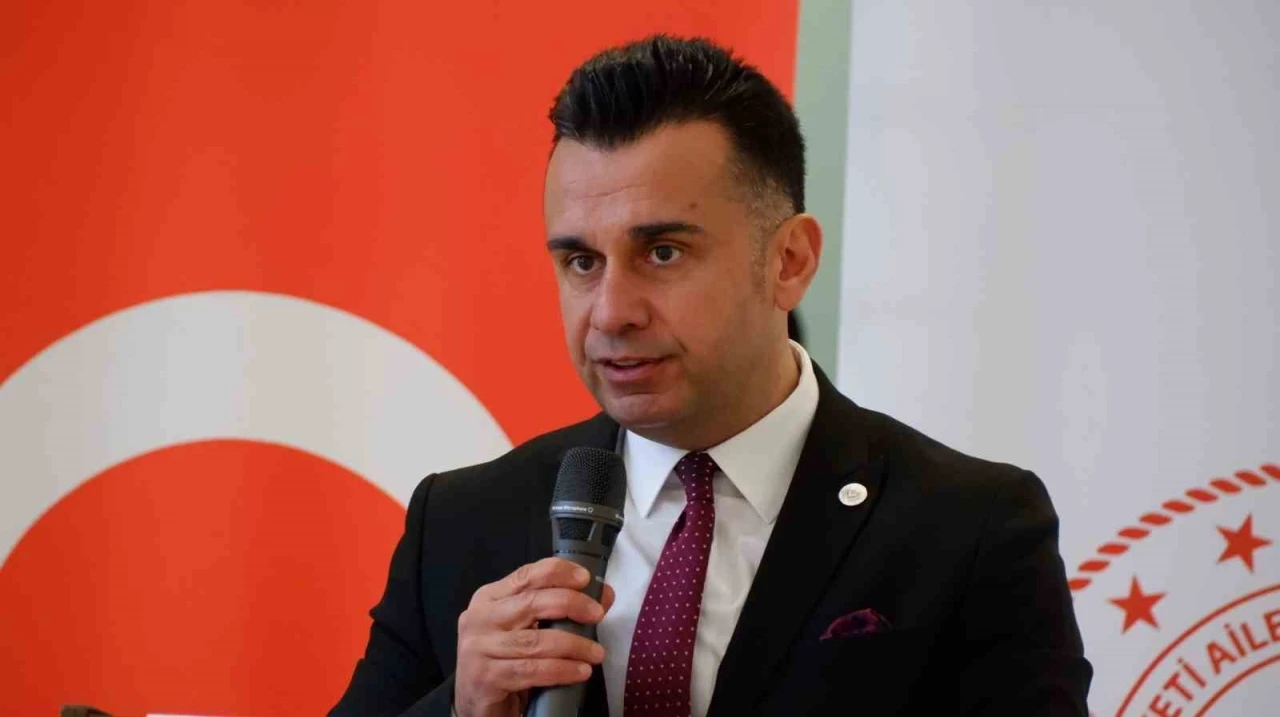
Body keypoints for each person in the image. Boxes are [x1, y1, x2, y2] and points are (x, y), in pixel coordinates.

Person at [330, 35, 1091, 717]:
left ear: (789, 260)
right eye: (582, 262)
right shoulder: (460, 521)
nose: (611, 312)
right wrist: (461, 709)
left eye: (663, 252)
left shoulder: (971, 527)